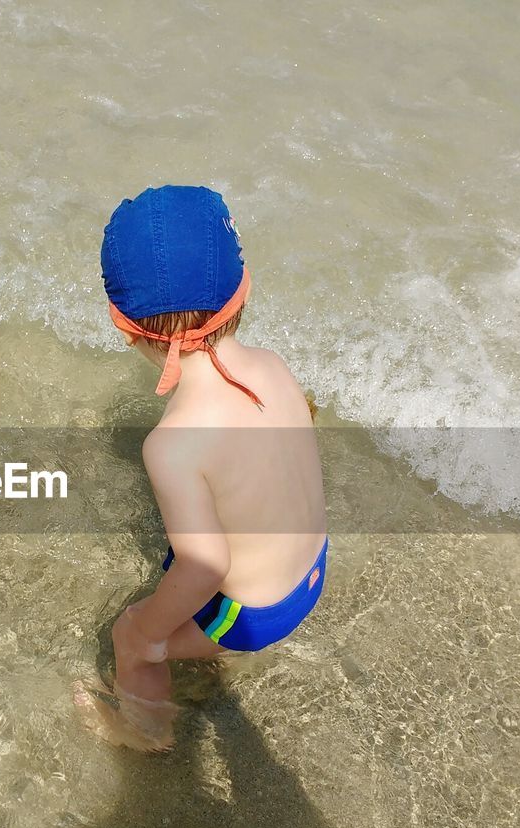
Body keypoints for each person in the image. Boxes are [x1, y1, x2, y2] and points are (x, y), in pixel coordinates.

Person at [75, 185, 328, 751]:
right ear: (244, 290)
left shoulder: (173, 445)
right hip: (311, 571)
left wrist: (148, 629)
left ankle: (147, 732)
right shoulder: (271, 365)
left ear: (123, 325)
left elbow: (207, 563)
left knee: (132, 637)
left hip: (256, 613)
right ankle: (206, 653)